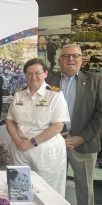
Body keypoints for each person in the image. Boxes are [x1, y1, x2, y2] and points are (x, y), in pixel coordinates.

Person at [46, 44, 102, 205]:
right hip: (55, 142)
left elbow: (100, 114)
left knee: (85, 188)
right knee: (53, 186)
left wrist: (83, 137)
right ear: (59, 60)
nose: (71, 59)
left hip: (84, 144)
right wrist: (52, 135)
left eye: (75, 55)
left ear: (81, 59)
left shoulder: (95, 80)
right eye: (66, 56)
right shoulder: (49, 80)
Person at [6, 58, 70, 196]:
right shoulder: (19, 93)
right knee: (20, 191)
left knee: (47, 192)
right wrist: (18, 140)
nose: (33, 77)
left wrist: (32, 142)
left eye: (37, 73)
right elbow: (10, 120)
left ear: (45, 73)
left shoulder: (55, 94)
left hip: (45, 150)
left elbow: (58, 126)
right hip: (20, 148)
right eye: (29, 73)